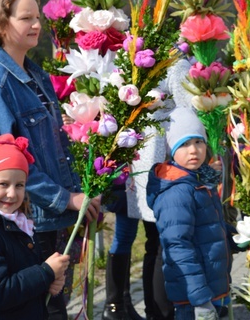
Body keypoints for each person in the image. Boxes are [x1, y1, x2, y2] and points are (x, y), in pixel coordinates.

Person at [0, 0, 100, 320]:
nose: (36, 24)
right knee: (38, 309)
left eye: (38, 17)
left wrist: (79, 191)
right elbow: (2, 165)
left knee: (54, 308)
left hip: (51, 219)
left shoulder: (34, 74)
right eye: (26, 18)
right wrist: (65, 199)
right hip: (26, 223)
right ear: (0, 25)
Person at [102, 58, 192, 320]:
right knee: (159, 241)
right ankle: (154, 311)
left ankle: (121, 306)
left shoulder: (133, 55)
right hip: (159, 160)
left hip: (135, 155)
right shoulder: (173, 63)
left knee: (147, 240)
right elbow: (188, 110)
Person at [0, 133, 70, 320]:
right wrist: (45, 272)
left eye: (19, 185)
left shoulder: (17, 223)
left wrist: (49, 282)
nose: (11, 193)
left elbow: (24, 278)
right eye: (3, 184)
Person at [146, 107, 233, 320]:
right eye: (184, 144)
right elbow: (178, 247)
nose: (193, 150)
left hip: (214, 287)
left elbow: (209, 228)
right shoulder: (177, 193)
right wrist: (201, 299)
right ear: (171, 149)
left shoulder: (200, 180)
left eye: (198, 142)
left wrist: (238, 237)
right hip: (195, 299)